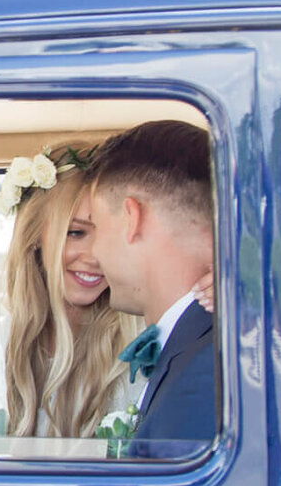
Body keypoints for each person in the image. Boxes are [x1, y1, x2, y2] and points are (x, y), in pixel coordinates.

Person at [0, 151, 139, 438]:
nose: (96, 256)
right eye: (77, 233)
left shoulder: (138, 337)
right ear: (35, 238)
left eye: (109, 235)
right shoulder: (14, 332)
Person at [82, 120, 216, 447]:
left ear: (132, 219)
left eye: (96, 228)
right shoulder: (200, 345)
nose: (94, 253)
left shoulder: (202, 376)